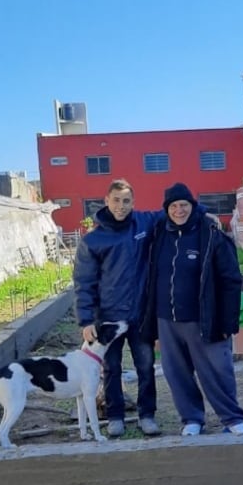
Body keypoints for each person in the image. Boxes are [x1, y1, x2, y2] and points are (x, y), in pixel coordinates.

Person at [139, 182, 243, 436]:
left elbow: (231, 280)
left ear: (193, 205)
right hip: (166, 320)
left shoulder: (210, 233)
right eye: (174, 206)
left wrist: (228, 322)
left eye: (184, 205)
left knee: (217, 370)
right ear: (166, 209)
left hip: (203, 319)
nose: (179, 210)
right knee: (176, 373)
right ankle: (192, 418)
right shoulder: (159, 234)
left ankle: (232, 419)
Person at [73, 179, 162, 437]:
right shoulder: (94, 240)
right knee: (111, 368)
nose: (121, 206)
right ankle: (115, 416)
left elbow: (174, 210)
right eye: (116, 200)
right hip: (108, 320)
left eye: (126, 201)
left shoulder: (143, 223)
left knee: (145, 366)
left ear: (133, 203)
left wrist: (203, 213)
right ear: (106, 201)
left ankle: (147, 415)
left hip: (140, 316)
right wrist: (86, 320)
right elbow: (84, 282)